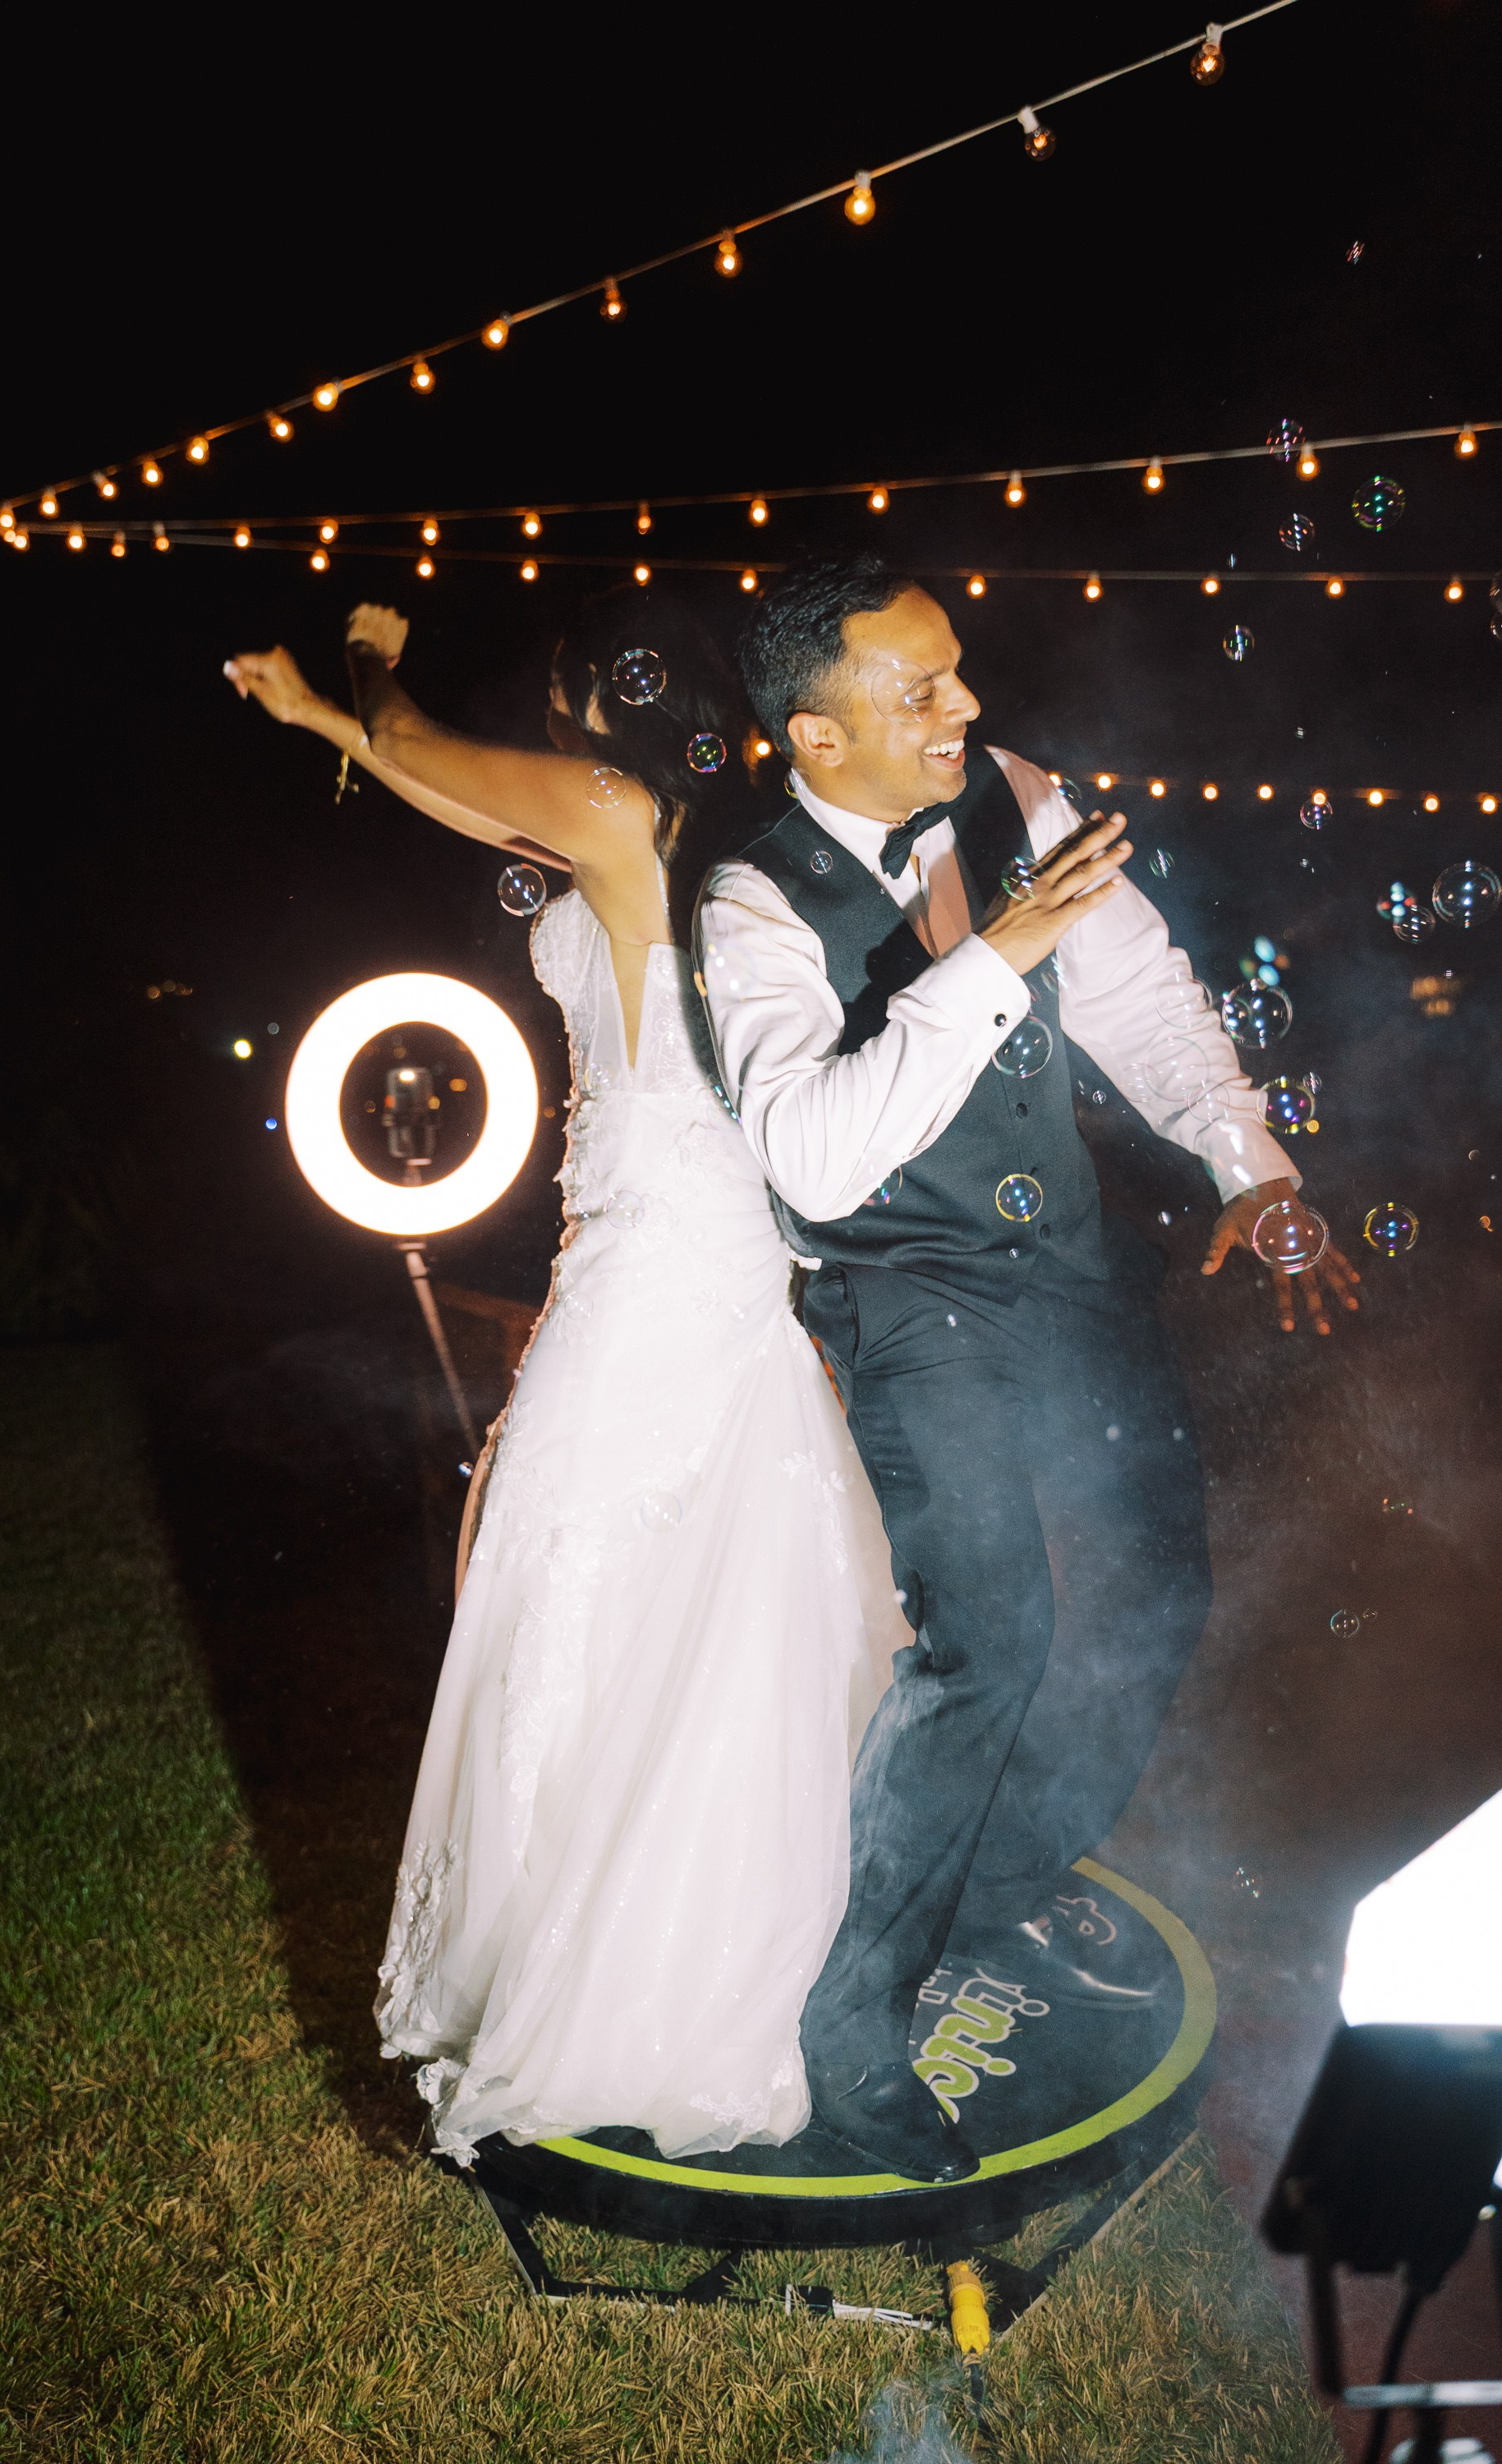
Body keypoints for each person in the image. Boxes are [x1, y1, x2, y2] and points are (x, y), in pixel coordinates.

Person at [699, 554, 1360, 2182]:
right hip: (909, 1300)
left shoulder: (1017, 794)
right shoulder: (748, 903)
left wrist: (1243, 1163)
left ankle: (983, 1889)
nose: (966, 705)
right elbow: (815, 1163)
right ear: (813, 735)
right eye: (917, 687)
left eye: (958, 670)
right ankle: (846, 2025)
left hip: (1070, 1272)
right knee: (989, 1642)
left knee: (1154, 1596)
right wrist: (992, 953)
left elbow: (1138, 996)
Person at [223, 589, 905, 2163]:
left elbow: (421, 744)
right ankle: (689, 1966)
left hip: (662, 1269)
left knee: (582, 1585)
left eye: (556, 693)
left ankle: (623, 2001)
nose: (544, 719)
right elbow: (439, 785)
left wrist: (374, 661)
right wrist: (325, 730)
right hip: (681, 1261)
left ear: (597, 701)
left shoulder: (611, 811)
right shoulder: (650, 833)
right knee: (685, 1607)